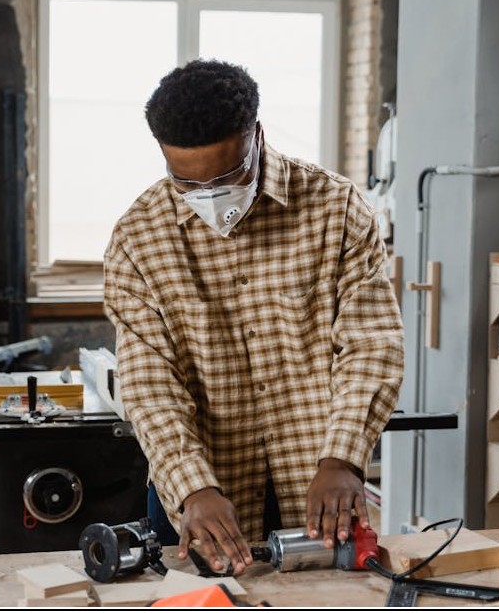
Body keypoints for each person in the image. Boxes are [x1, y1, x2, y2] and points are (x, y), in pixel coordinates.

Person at [103, 60, 404, 576]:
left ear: (256, 136)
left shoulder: (337, 208)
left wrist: (343, 457)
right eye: (186, 182)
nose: (209, 196)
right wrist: (193, 485)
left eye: (227, 176)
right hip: (201, 486)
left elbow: (370, 343)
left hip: (319, 477)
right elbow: (150, 381)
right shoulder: (137, 238)